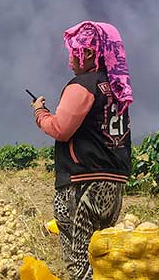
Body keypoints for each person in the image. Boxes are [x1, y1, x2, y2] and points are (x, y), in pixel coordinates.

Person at [30, 21, 132, 280]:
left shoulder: (82, 86)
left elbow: (61, 129)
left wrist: (40, 113)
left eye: (73, 52)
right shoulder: (117, 89)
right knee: (100, 251)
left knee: (79, 257)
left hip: (82, 180)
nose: (70, 61)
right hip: (113, 182)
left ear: (87, 52)